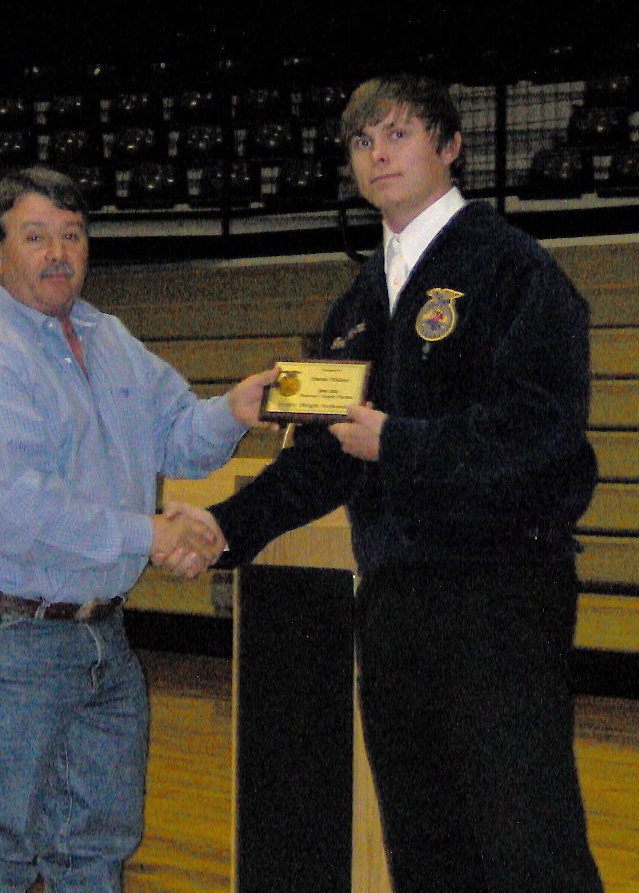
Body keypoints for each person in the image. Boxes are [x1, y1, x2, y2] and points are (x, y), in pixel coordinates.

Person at [162, 75, 604, 892]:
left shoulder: (516, 271)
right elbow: (324, 458)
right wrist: (226, 527)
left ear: (449, 146)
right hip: (395, 597)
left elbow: (543, 434)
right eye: (363, 143)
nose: (378, 155)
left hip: (499, 590)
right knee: (424, 839)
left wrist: (398, 441)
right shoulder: (358, 303)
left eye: (397, 135)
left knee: (527, 838)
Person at [0, 166, 277, 893]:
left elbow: (177, 433)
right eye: (36, 237)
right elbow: (20, 510)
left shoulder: (108, 336)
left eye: (73, 235)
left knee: (99, 846)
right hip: (9, 639)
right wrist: (149, 534)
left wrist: (234, 411)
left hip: (101, 636)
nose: (59, 253)